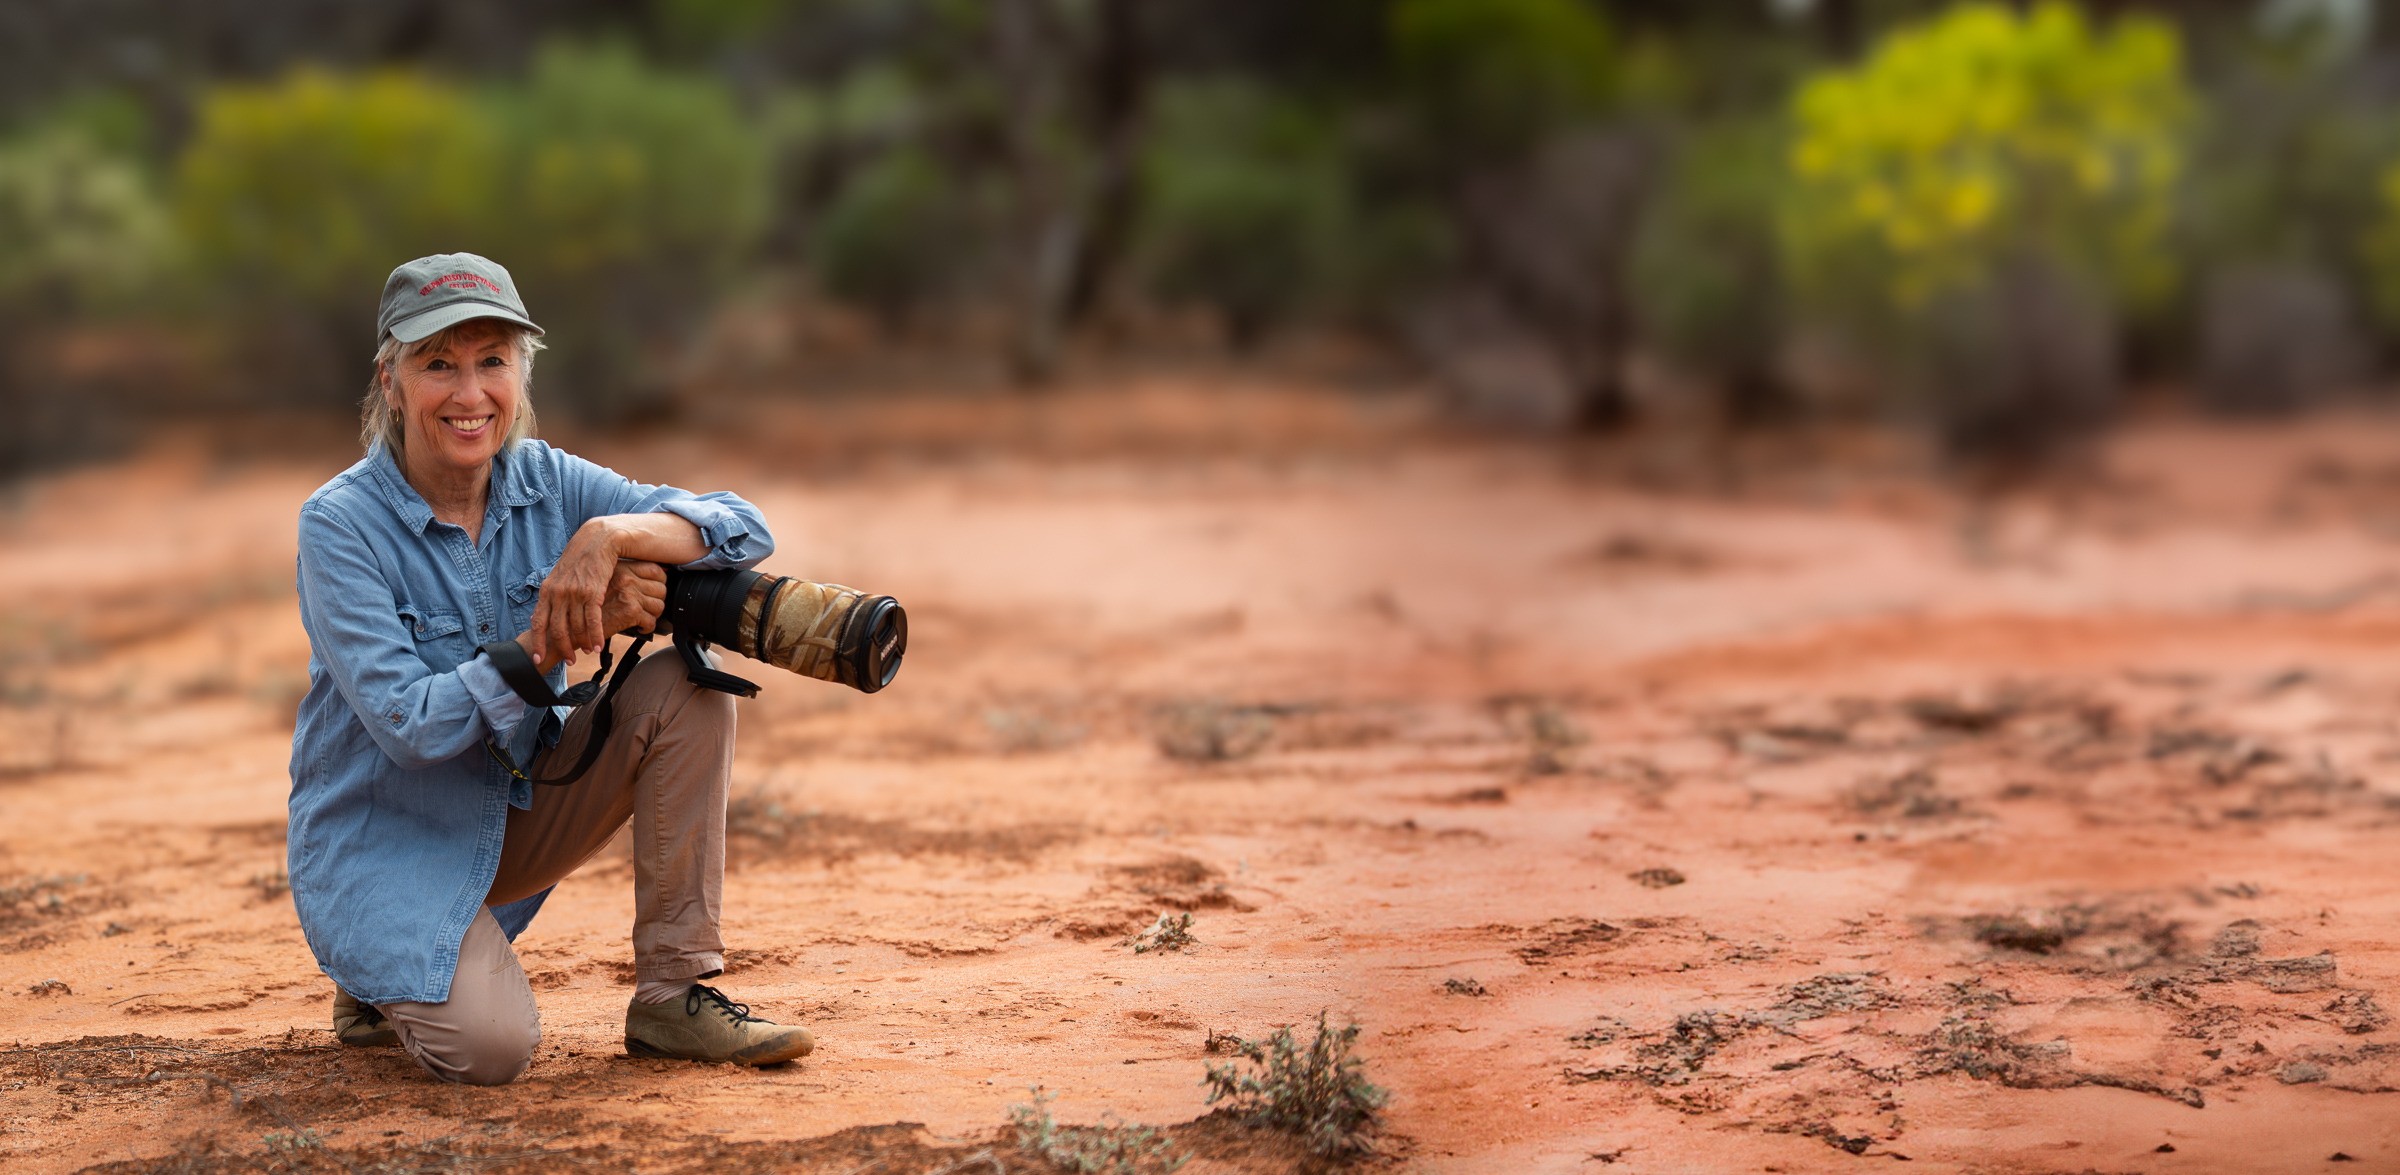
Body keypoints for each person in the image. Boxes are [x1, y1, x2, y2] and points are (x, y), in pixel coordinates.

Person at [287, 252, 813, 1085]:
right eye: (439, 365)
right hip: (385, 843)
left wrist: (612, 536)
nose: (470, 395)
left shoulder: (551, 481)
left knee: (688, 688)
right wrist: (555, 637)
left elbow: (742, 526)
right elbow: (410, 728)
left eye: (492, 361)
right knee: (493, 1050)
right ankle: (375, 973)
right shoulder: (340, 525)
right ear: (390, 380)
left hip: (510, 808)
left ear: (520, 372)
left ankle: (674, 995)